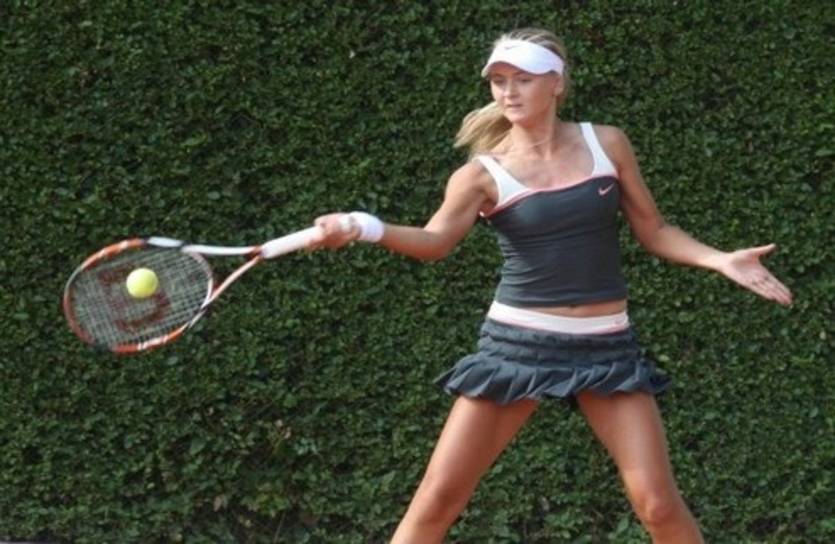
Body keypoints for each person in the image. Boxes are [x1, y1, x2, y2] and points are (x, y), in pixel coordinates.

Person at [311, 27, 793, 544]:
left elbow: (653, 230)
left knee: (657, 503)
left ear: (557, 83)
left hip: (607, 348)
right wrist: (365, 227)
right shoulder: (481, 175)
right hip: (518, 346)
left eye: (523, 79)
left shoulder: (607, 143)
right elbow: (434, 241)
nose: (508, 92)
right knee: (438, 499)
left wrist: (719, 259)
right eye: (498, 80)